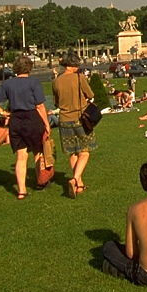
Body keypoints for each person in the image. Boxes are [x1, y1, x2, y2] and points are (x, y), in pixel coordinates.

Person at [0, 55, 50, 200]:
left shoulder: (8, 84)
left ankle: (21, 190)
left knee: (21, 156)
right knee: (38, 152)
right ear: (30, 67)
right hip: (32, 118)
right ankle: (41, 181)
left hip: (16, 120)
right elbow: (39, 105)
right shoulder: (34, 82)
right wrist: (46, 124)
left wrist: (4, 113)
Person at [52, 52, 96, 199]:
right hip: (80, 118)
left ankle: (79, 184)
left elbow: (56, 102)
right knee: (84, 151)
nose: (78, 67)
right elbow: (90, 94)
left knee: (72, 152)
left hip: (64, 120)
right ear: (71, 65)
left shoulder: (56, 81)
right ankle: (76, 179)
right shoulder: (79, 78)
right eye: (76, 64)